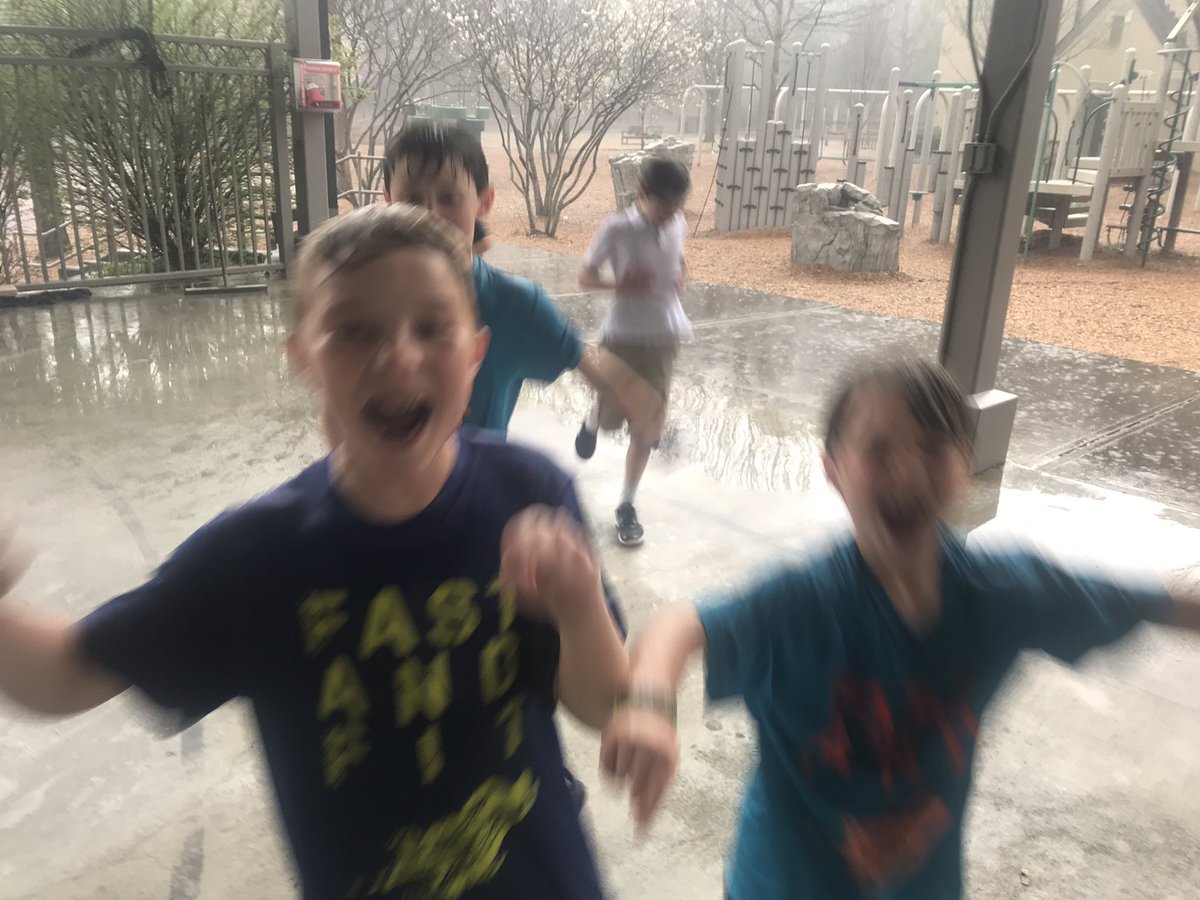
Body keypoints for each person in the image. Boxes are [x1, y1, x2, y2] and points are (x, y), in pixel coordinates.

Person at [0, 204, 629, 899]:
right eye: (354, 330)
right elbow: (67, 672)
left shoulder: (529, 493)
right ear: (303, 355)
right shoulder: (259, 558)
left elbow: (605, 705)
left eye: (432, 327)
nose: (397, 355)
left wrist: (577, 608)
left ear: (476, 352)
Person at [599, 356, 1200, 899]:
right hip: (780, 883)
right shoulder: (804, 604)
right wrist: (649, 704)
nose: (908, 471)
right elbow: (678, 627)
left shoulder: (1006, 594)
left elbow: (1152, 601)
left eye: (934, 448)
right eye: (880, 450)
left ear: (964, 465)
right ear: (832, 468)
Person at [381, 121, 663, 440]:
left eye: (449, 198)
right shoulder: (364, 297)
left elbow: (580, 357)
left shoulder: (514, 306)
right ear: (389, 201)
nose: (430, 215)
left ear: (484, 202)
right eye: (413, 200)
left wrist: (636, 399)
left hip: (477, 489)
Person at [574, 157, 692, 547]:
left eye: (676, 208)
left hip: (663, 338)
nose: (669, 217)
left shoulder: (678, 223)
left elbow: (678, 258)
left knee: (646, 429)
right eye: (663, 208)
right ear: (641, 194)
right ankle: (593, 418)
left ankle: (626, 505)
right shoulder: (617, 229)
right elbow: (585, 276)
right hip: (621, 338)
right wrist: (619, 286)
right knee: (612, 419)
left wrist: (680, 273)